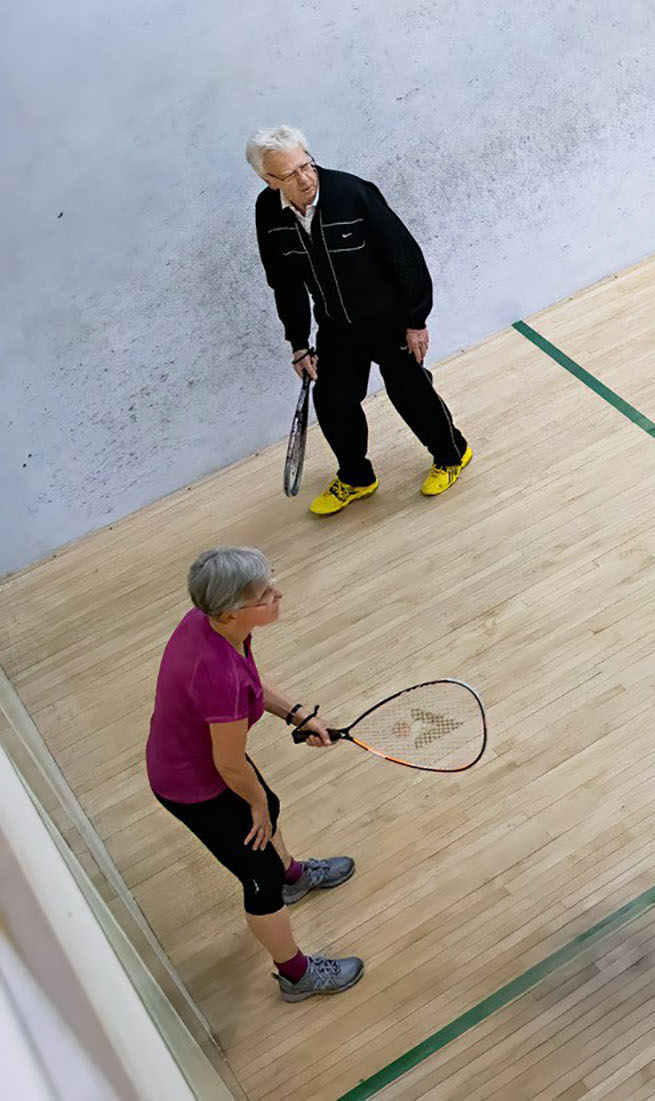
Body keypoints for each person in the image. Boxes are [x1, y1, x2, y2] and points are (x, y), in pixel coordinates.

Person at [146, 546, 362, 1001]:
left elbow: (251, 683)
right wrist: (256, 803)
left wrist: (298, 714)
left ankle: (294, 877)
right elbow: (228, 762)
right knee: (257, 873)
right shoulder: (215, 672)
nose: (277, 593)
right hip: (194, 785)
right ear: (229, 611)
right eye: (265, 594)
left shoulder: (211, 626)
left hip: (204, 761)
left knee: (269, 808)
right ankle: (297, 975)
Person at [247, 124, 472, 516]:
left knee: (410, 392)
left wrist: (417, 320)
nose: (304, 178)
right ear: (268, 180)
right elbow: (284, 283)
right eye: (290, 174)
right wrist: (298, 343)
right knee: (332, 400)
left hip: (390, 319)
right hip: (336, 325)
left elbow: (406, 257)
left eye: (306, 165)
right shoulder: (268, 213)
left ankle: (453, 454)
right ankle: (356, 477)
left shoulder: (353, 194)